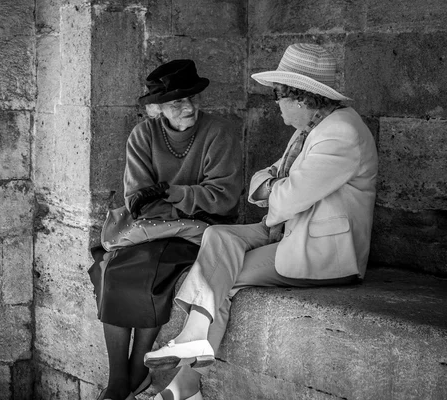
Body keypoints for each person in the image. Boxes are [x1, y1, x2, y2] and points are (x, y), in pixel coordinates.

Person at [143, 43, 378, 400]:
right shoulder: (311, 129)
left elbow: (284, 196)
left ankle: (187, 376)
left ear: (300, 98)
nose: (275, 104)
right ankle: (189, 362)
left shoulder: (340, 133)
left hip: (324, 251)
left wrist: (273, 187)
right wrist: (273, 186)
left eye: (278, 96)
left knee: (221, 273)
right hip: (291, 230)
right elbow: (261, 182)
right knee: (219, 239)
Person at [90, 59, 243, 400]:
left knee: (154, 271)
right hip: (152, 228)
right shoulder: (144, 135)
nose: (187, 107)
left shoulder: (218, 132)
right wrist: (182, 199)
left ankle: (136, 372)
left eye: (191, 98)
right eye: (176, 102)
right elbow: (138, 199)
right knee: (111, 270)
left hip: (204, 230)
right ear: (157, 108)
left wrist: (172, 193)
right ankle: (120, 378)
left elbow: (223, 198)